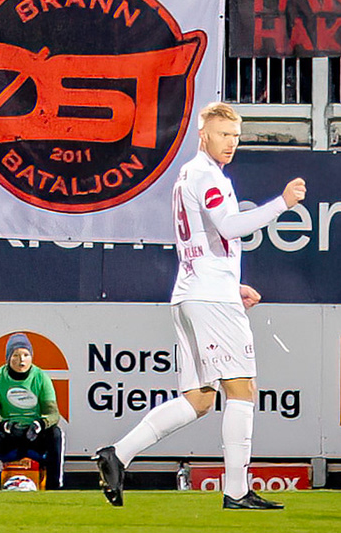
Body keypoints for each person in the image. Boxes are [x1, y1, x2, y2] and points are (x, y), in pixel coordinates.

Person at [94, 103, 308, 510]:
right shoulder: (207, 175)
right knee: (242, 388)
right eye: (223, 134)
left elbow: (203, 238)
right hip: (209, 297)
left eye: (236, 136)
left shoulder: (188, 175)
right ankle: (237, 490)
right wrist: (282, 203)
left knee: (199, 399)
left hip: (193, 292)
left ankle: (118, 454)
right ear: (203, 133)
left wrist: (230, 285)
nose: (231, 143)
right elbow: (229, 226)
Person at [0, 334, 63, 490]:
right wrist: (3, 425)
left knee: (55, 434)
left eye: (26, 355)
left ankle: (53, 487)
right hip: (8, 435)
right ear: (8, 357)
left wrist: (39, 425)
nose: (21, 360)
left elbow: (53, 414)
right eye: (16, 355)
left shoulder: (41, 378)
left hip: (33, 435)